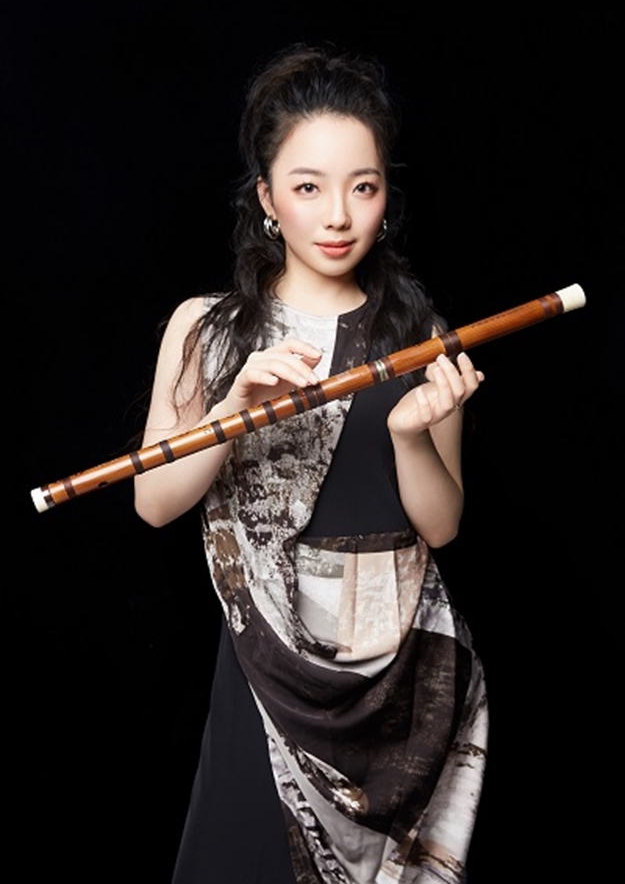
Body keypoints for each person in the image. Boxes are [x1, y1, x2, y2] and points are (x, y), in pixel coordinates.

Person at [134, 44, 488, 884]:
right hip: (267, 675)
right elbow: (154, 503)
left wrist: (409, 434)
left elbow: (442, 525)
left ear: (385, 197)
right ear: (266, 198)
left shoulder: (420, 336)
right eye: (307, 187)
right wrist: (228, 413)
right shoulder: (205, 328)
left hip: (398, 686)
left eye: (362, 187)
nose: (337, 216)